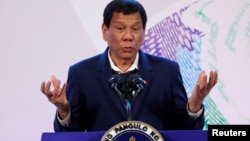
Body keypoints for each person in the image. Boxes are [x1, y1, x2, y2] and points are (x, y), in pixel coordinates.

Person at [41, 0, 218, 132]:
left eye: (135, 29)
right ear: (105, 31)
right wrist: (64, 111)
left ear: (144, 32)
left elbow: (185, 132)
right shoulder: (81, 74)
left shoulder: (167, 71)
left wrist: (194, 105)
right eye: (120, 29)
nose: (128, 36)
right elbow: (72, 136)